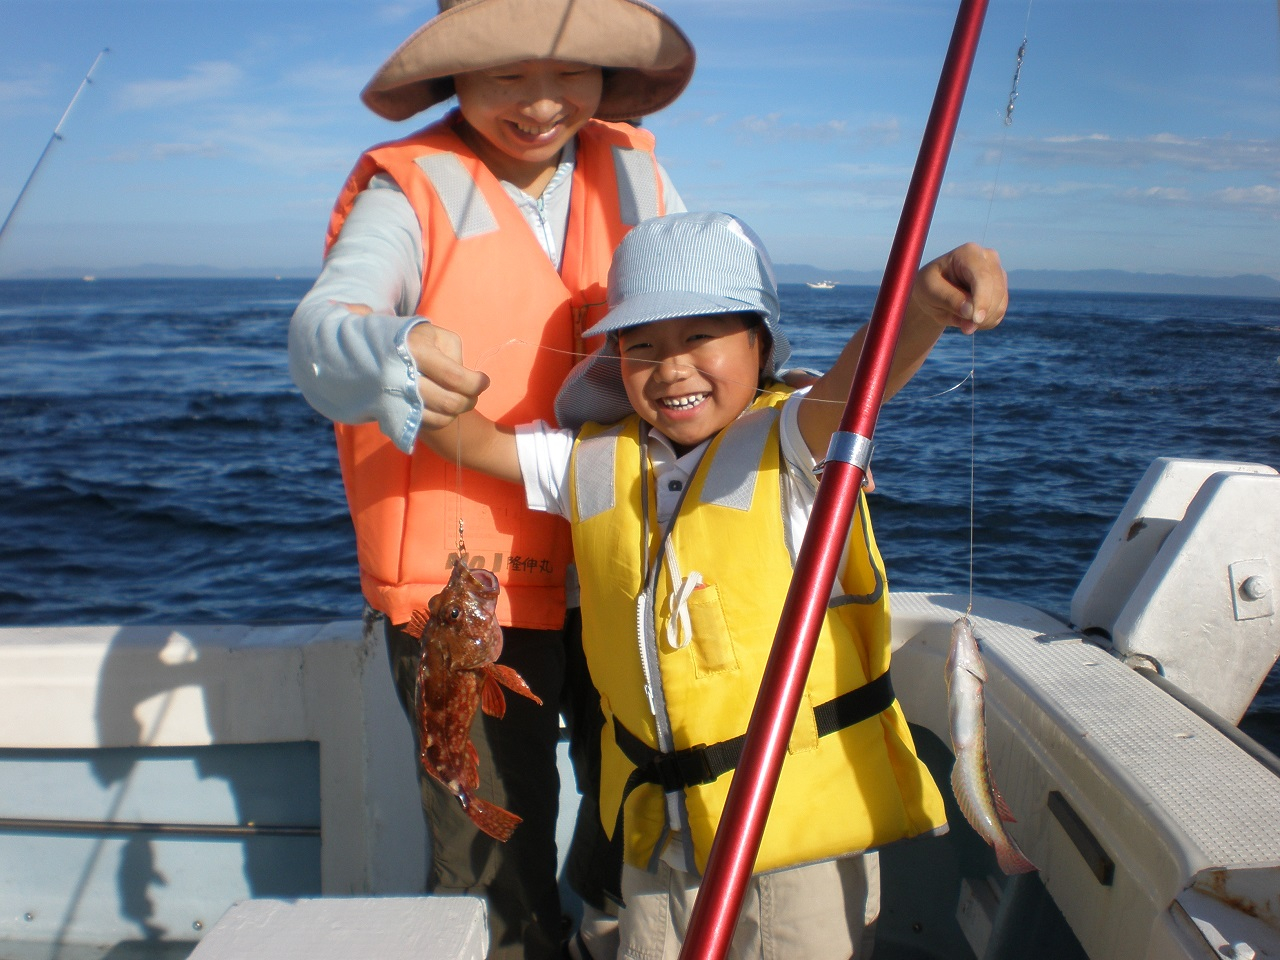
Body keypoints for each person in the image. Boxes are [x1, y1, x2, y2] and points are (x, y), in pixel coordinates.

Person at [415, 211, 1008, 958]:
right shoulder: (588, 461)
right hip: (657, 835)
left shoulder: (792, 440)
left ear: (760, 345)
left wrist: (921, 304)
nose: (671, 368)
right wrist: (418, 379)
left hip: (792, 834)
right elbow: (467, 441)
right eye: (642, 347)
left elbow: (865, 383)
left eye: (700, 338)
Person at [287, 2, 695, 957]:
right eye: (505, 73)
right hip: (462, 593)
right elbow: (322, 329)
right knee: (488, 846)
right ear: (453, 76)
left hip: (620, 554)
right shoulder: (409, 187)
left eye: (568, 72)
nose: (541, 103)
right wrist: (388, 344)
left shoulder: (637, 167)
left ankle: (598, 923)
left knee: (649, 797)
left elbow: (702, 310)